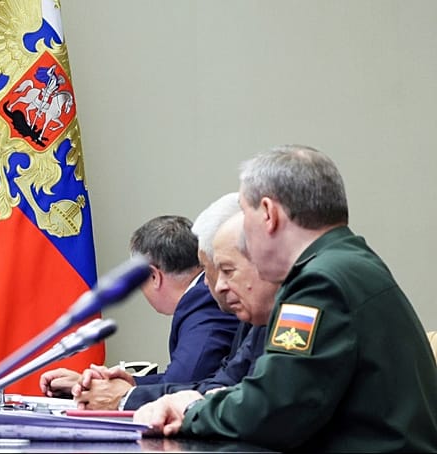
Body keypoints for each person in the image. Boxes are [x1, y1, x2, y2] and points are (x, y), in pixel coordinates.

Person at [134, 145, 437, 452]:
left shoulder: (318, 283)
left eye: (244, 213)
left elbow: (273, 409)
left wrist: (191, 411)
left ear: (268, 214)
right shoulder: (351, 261)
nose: (241, 236)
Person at [40, 215, 240, 404]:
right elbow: (186, 381)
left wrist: (121, 394)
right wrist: (111, 385)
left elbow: (183, 385)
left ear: (153, 276)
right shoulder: (199, 298)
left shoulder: (203, 300)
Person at [119, 211, 275, 410]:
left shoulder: (205, 301)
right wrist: (130, 385)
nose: (219, 286)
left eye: (227, 270)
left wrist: (125, 396)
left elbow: (186, 381)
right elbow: (223, 381)